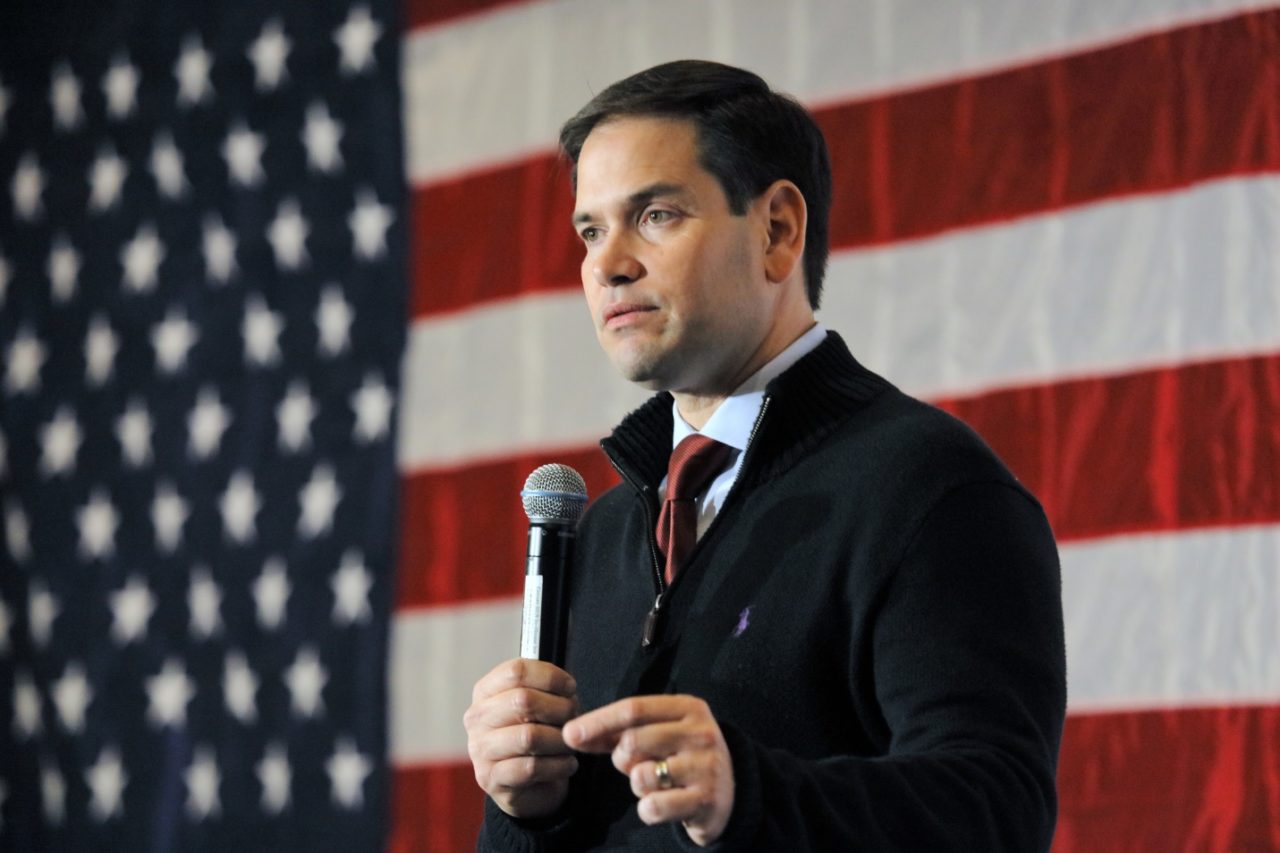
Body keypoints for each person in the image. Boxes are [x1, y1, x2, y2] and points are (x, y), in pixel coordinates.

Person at [464, 59, 1066, 851]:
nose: (607, 263)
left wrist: (750, 795)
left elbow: (997, 811)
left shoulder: (930, 488)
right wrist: (525, 810)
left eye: (654, 215)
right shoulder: (602, 531)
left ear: (778, 229)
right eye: (590, 229)